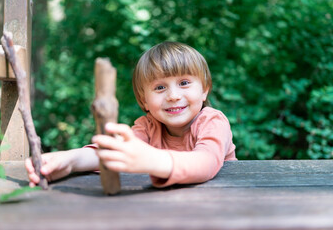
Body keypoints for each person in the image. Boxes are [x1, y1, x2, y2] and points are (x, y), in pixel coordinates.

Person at [26, 41, 237, 188]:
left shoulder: (212, 121)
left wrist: (153, 160)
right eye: (160, 88)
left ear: (204, 90)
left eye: (184, 83)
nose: (173, 95)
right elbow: (113, 150)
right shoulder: (147, 126)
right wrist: (69, 161)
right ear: (144, 100)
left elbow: (206, 162)